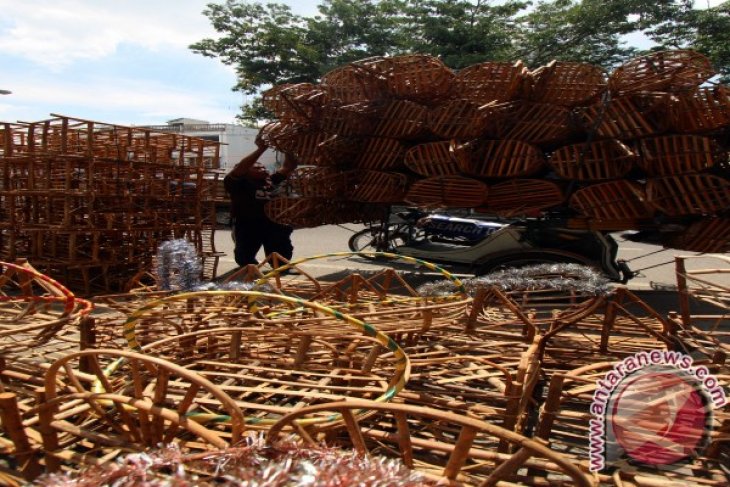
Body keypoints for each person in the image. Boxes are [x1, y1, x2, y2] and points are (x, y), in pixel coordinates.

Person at [224, 136, 298, 267]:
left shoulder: (272, 180)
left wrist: (287, 147)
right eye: (257, 168)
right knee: (245, 260)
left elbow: (289, 166)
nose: (263, 169)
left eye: (263, 167)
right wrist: (261, 149)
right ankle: (250, 268)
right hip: (248, 224)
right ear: (245, 172)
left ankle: (279, 267)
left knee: (281, 261)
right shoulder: (237, 183)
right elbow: (241, 168)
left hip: (274, 224)